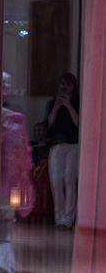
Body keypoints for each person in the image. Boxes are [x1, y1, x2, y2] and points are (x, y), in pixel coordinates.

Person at [0, 71, 34, 273]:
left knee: (6, 222)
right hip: (1, 181)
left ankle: (3, 266)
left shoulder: (15, 119)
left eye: (7, 85)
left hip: (9, 182)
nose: (6, 89)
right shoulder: (13, 119)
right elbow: (24, 156)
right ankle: (2, 266)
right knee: (4, 223)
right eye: (4, 84)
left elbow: (23, 157)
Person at [45, 73, 80, 228]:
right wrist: (56, 108)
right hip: (56, 146)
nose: (64, 87)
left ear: (73, 87)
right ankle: (58, 217)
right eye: (62, 84)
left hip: (73, 145)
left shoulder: (77, 103)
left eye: (68, 84)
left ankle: (68, 218)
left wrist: (69, 105)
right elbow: (49, 125)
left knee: (69, 180)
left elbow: (79, 124)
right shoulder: (52, 103)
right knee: (56, 181)